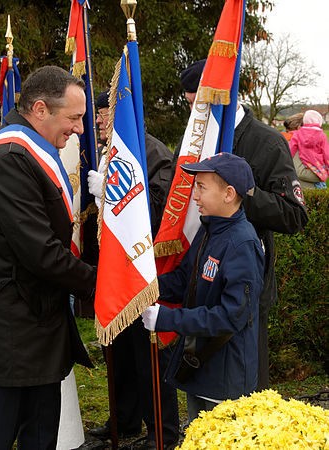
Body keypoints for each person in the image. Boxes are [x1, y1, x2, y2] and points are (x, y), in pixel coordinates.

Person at [0, 66, 97, 449]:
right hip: (11, 329)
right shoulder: (10, 160)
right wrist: (103, 282)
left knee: (40, 429)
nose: (80, 129)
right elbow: (41, 252)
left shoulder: (28, 153)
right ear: (39, 109)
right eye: (74, 118)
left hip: (32, 320)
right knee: (2, 433)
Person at [173, 60, 308, 391]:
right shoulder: (191, 143)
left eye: (200, 105)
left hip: (246, 287)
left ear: (223, 97)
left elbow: (295, 215)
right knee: (202, 386)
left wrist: (241, 194)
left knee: (244, 390)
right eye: (190, 106)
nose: (195, 116)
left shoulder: (267, 142)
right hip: (199, 280)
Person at [142, 153, 264, 423]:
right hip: (200, 368)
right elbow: (185, 279)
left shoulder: (241, 244)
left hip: (225, 377)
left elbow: (232, 316)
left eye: (201, 187)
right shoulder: (209, 230)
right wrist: (146, 290)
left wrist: (168, 319)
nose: (194, 196)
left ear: (228, 194)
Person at [87, 90, 178, 449]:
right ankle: (124, 419)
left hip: (144, 268)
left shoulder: (152, 152)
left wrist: (110, 192)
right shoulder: (107, 150)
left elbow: (156, 211)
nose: (97, 120)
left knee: (148, 357)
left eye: (104, 112)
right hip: (116, 267)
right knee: (120, 353)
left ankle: (162, 432)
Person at [289, 110, 328, 190]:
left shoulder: (298, 134)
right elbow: (326, 153)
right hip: (318, 164)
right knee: (321, 179)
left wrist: (288, 160)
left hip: (305, 163)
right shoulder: (322, 135)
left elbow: (291, 148)